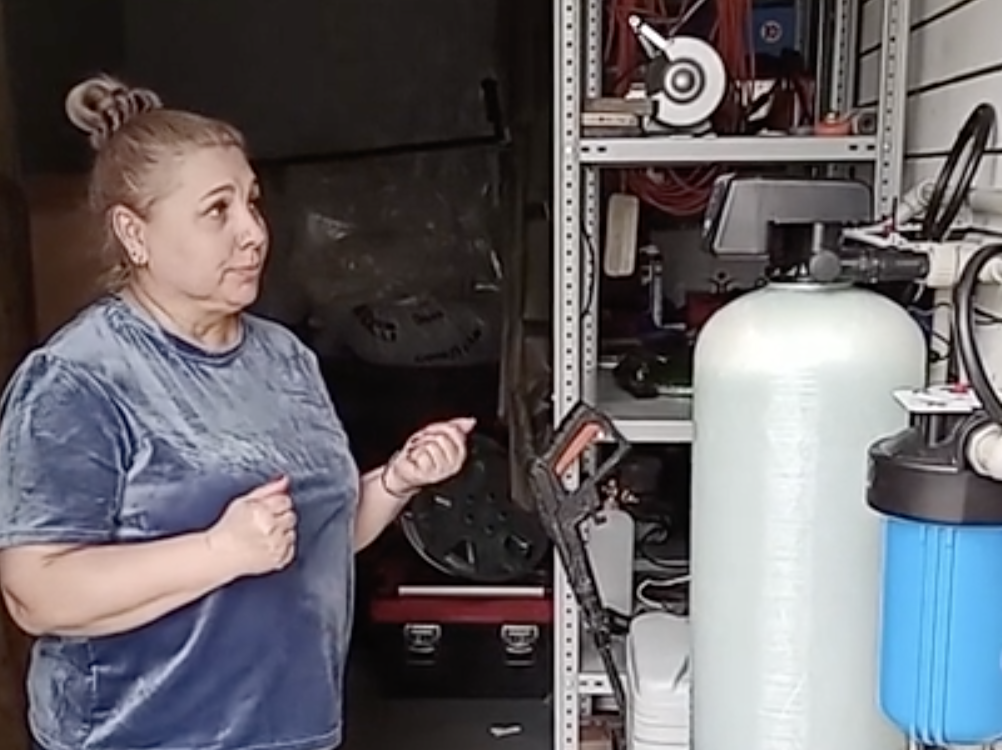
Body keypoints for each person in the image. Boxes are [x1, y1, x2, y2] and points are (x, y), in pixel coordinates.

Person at [0, 74, 475, 750]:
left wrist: (397, 481)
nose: (253, 232)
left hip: (292, 733)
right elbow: (36, 594)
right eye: (217, 211)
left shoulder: (283, 358)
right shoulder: (80, 379)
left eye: (252, 203)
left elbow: (310, 542)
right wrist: (217, 551)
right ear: (134, 233)